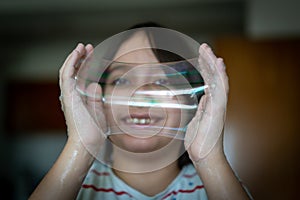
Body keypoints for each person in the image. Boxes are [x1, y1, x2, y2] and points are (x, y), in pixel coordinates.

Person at [29, 23, 251, 199]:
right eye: (122, 80)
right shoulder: (70, 189)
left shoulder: (218, 187)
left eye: (162, 80)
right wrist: (80, 146)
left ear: (190, 101)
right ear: (100, 102)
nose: (140, 94)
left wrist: (209, 158)